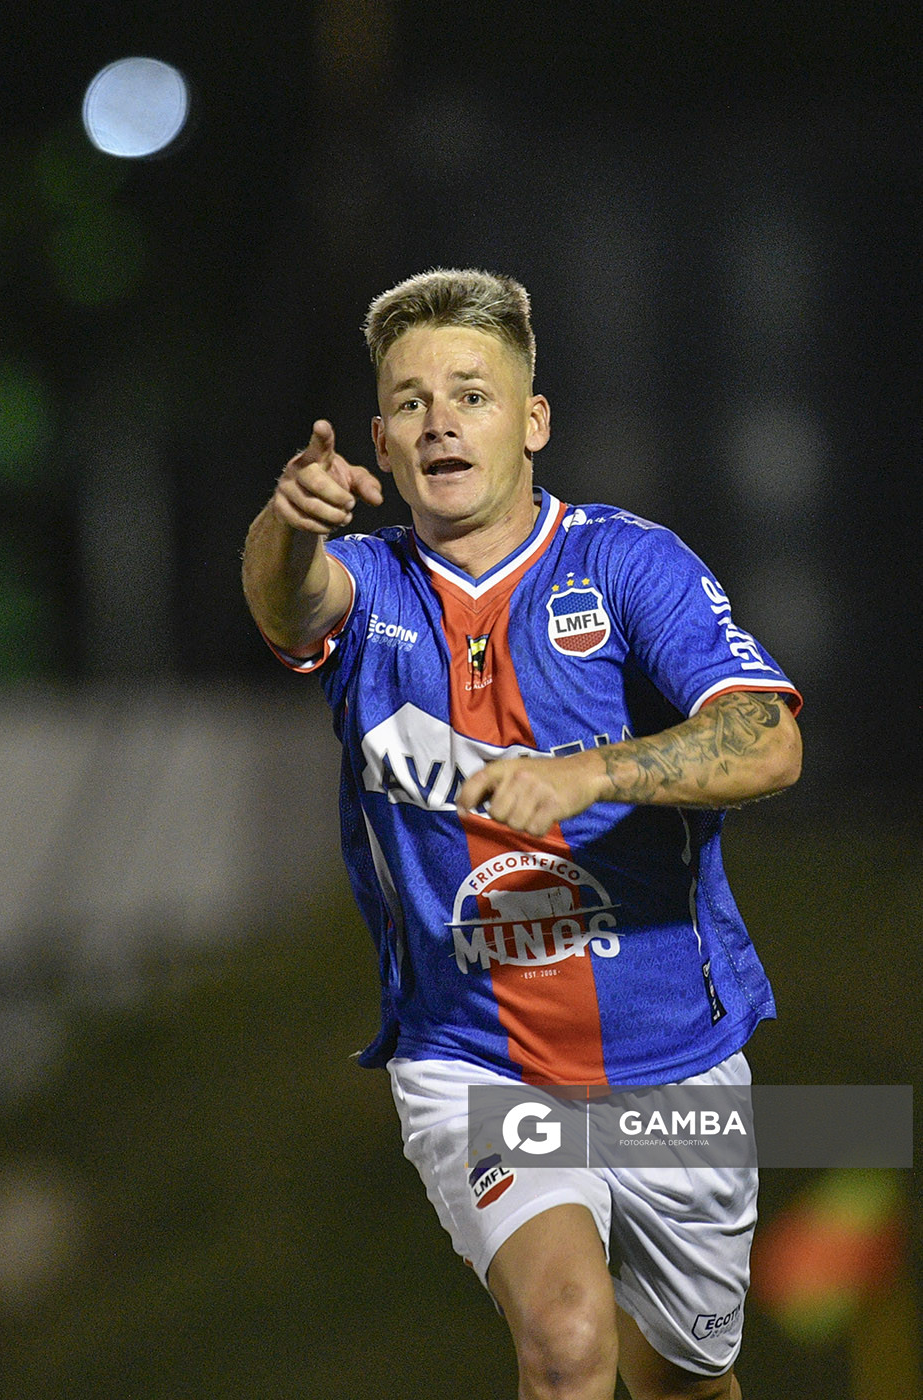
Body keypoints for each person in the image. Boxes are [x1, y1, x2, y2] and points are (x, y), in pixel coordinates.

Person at [241, 269, 802, 1400]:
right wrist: (285, 524)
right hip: (477, 1058)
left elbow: (768, 741)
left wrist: (593, 770)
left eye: (471, 393)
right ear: (380, 445)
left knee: (687, 1377)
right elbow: (286, 602)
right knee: (566, 1342)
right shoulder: (369, 588)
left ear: (533, 420)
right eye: (409, 403)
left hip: (673, 1057)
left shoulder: (626, 563)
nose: (439, 421)